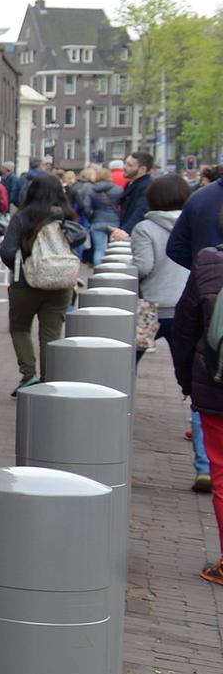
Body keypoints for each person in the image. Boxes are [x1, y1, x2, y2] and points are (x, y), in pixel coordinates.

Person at [135, 173, 204, 490]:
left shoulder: (145, 228)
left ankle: (112, 420)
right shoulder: (195, 222)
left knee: (122, 366)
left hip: (152, 307)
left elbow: (144, 266)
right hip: (189, 307)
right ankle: (203, 461)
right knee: (194, 380)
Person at [0, 173, 88, 394]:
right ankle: (49, 378)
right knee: (51, 333)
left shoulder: (23, 216)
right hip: (61, 283)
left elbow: (7, 250)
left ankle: (28, 375)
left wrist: (24, 266)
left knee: (20, 327)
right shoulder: (68, 217)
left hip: (25, 284)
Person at [171, 237, 223, 585]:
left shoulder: (209, 262)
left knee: (221, 472)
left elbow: (185, 329)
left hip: (217, 385)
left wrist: (188, 382)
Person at [76, 160, 122, 263]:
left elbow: (86, 207)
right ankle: (112, 270)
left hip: (97, 220)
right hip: (114, 221)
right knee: (114, 249)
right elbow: (122, 205)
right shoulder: (118, 190)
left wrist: (91, 217)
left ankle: (98, 272)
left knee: (99, 249)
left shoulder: (92, 189)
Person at [119, 152, 155, 232]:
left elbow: (140, 211)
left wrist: (124, 231)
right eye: (125, 163)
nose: (124, 167)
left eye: (129, 165)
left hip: (137, 233)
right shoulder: (130, 184)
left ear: (142, 169)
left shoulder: (146, 186)